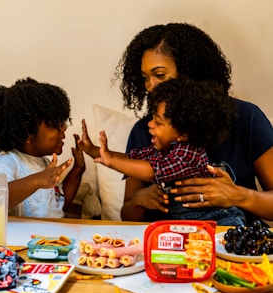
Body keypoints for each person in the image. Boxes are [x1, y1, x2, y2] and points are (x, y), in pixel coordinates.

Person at [110, 22, 273, 224]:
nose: (150, 86)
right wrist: (139, 200)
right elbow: (127, 217)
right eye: (145, 77)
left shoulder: (247, 118)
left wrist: (240, 196)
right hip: (167, 248)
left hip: (233, 245)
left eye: (159, 75)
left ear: (190, 72)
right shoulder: (146, 130)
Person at [90, 78, 245, 225]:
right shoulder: (168, 148)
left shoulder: (188, 155)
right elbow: (132, 159)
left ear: (183, 133)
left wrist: (111, 160)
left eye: (158, 122)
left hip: (221, 220)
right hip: (189, 224)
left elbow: (152, 171)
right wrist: (96, 151)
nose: (150, 124)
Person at [0, 77, 85, 218]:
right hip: (24, 238)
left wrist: (77, 170)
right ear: (28, 132)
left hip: (49, 236)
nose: (64, 127)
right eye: (55, 123)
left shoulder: (44, 163)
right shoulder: (8, 160)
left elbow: (58, 208)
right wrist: (37, 181)